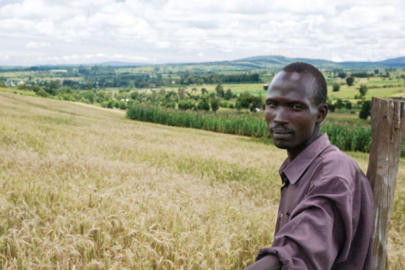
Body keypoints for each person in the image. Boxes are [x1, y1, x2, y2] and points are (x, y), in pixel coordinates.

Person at [244, 62, 374, 270]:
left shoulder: (334, 175)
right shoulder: (302, 167)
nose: (278, 118)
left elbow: (297, 252)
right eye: (272, 104)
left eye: (295, 106)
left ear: (320, 114)